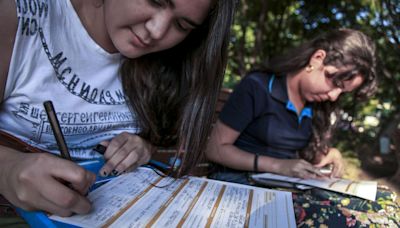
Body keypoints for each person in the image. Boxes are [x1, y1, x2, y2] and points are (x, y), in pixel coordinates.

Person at [0, 0, 235, 218]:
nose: (157, 31)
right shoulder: (19, 16)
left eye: (182, 25)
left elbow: (161, 144)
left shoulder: (171, 62)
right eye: (154, 0)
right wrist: (8, 168)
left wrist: (142, 147)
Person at [206, 29, 400, 227]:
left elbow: (299, 155)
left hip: (284, 183)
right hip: (241, 182)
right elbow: (215, 148)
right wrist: (278, 165)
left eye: (343, 91)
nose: (334, 96)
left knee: (385, 200)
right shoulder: (258, 86)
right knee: (343, 220)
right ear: (317, 58)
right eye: (335, 82)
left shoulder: (315, 106)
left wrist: (330, 154)